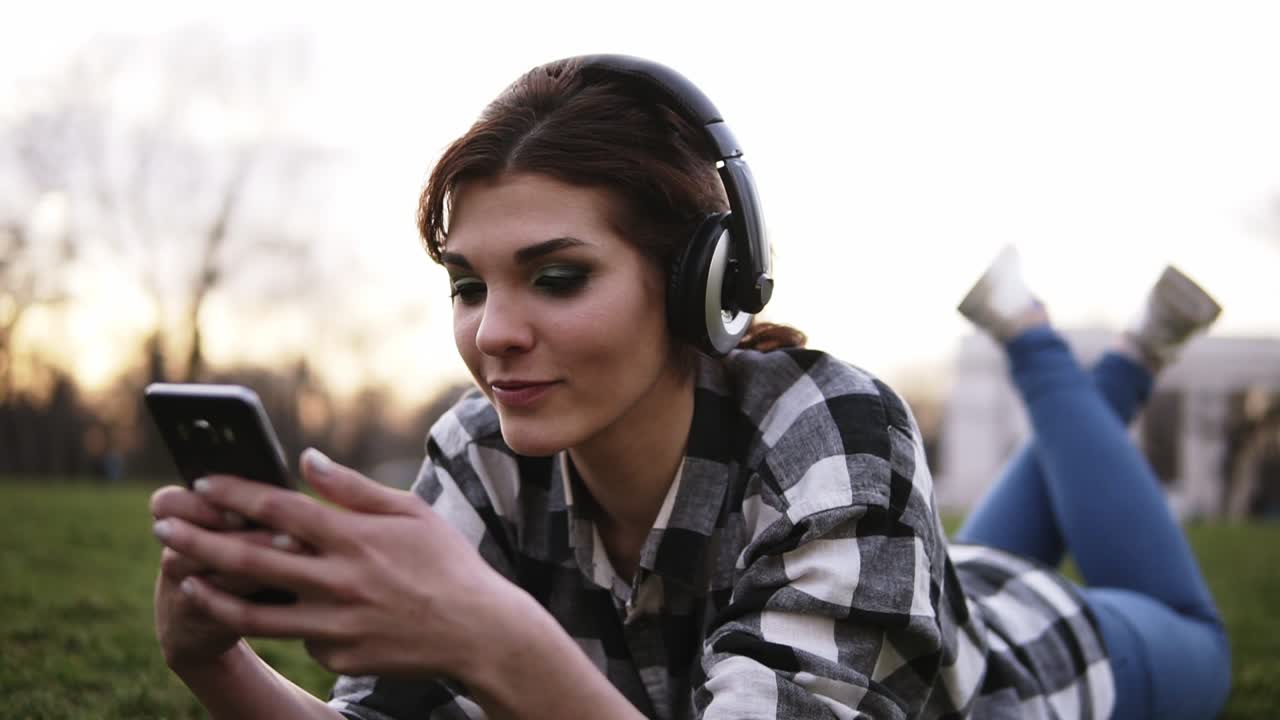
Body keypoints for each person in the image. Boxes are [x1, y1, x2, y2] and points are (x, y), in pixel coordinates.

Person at [148, 56, 1230, 719]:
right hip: (894, 591)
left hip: (1053, 659)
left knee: (1197, 635)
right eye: (468, 285)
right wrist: (218, 664)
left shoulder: (833, 425)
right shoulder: (480, 451)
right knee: (949, 573)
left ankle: (1058, 342)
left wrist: (497, 643)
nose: (494, 334)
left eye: (557, 278)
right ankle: (1115, 351)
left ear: (699, 286)